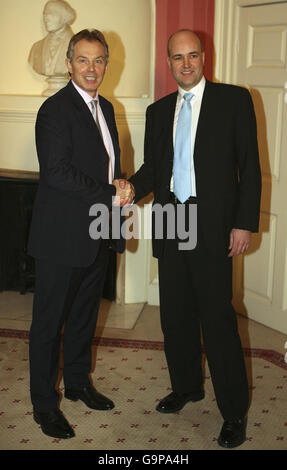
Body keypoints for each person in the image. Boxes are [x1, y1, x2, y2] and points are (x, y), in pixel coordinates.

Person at [128, 29, 261, 448]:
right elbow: (154, 170)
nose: (185, 64)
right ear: (168, 61)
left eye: (192, 55)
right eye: (177, 57)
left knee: (218, 320)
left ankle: (234, 412)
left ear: (205, 56)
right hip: (170, 220)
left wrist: (244, 223)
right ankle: (187, 387)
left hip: (213, 222)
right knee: (176, 316)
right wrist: (129, 189)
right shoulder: (158, 111)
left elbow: (250, 167)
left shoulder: (234, 100)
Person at [28, 29, 133, 439]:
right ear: (69, 64)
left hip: (99, 231)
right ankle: (43, 405)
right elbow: (56, 172)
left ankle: (77, 383)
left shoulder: (105, 107)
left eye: (99, 60)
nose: (92, 68)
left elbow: (104, 165)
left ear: (107, 64)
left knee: (85, 316)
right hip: (60, 237)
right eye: (84, 60)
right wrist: (110, 191)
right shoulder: (54, 111)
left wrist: (120, 187)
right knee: (48, 323)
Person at [28, 0, 75, 76]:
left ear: (65, 17)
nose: (46, 18)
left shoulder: (79, 47)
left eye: (52, 14)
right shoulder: (36, 48)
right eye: (45, 14)